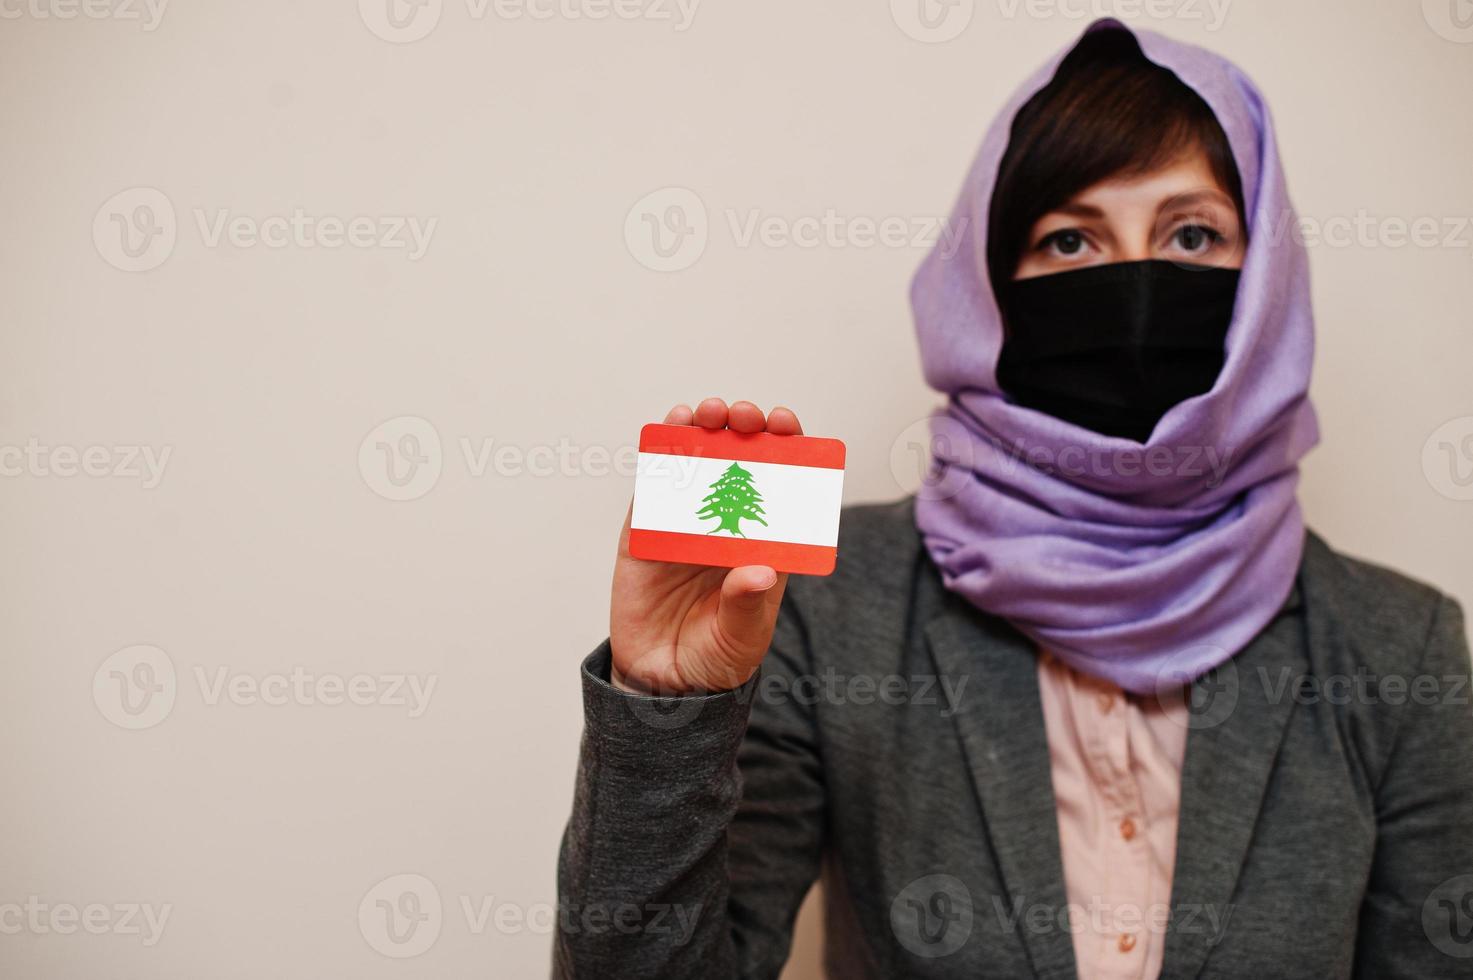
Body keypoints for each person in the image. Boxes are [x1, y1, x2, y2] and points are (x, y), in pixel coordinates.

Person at [554, 19, 1473, 980]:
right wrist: (664, 709)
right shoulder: (828, 607)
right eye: (1069, 238)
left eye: (1192, 234)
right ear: (990, 287)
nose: (1132, 287)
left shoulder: (1393, 645)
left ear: (1266, 286)